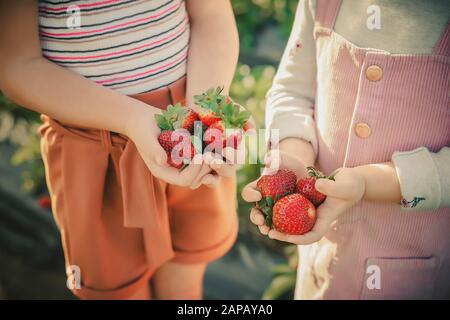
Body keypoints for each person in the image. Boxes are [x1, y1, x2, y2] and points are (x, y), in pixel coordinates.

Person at [0, 0, 240, 300]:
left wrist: (206, 112)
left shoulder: (197, 126)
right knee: (120, 293)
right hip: (92, 149)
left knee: (185, 281)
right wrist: (130, 118)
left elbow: (212, 14)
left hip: (189, 130)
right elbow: (16, 66)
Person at [243, 0, 450, 299]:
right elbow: (292, 90)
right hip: (321, 255)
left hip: (416, 265)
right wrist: (295, 157)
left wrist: (368, 182)